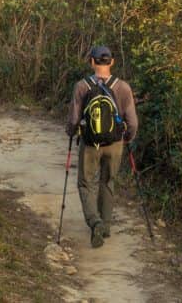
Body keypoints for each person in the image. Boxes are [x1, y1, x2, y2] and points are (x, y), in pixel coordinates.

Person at [66, 45, 138, 248]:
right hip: (115, 143)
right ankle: (105, 226)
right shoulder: (123, 87)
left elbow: (74, 119)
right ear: (112, 62)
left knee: (85, 183)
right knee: (108, 181)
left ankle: (94, 222)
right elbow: (132, 122)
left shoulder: (82, 86)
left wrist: (71, 132)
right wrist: (128, 137)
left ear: (92, 62)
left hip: (90, 143)